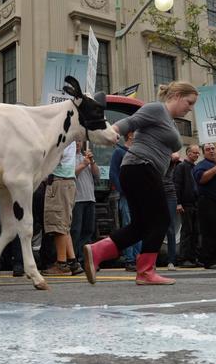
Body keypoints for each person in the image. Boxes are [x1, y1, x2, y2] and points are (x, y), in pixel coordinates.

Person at [83, 81, 198, 285]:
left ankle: (97, 251)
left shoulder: (169, 121)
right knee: (161, 220)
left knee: (142, 225)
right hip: (141, 167)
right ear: (177, 96)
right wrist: (111, 131)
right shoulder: (157, 109)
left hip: (141, 170)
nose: (190, 108)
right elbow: (130, 122)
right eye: (189, 102)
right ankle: (145, 272)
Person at [43, 140, 81, 276]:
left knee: (58, 224)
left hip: (60, 181)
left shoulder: (63, 136)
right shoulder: (70, 137)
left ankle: (61, 264)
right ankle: (72, 262)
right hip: (66, 182)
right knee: (64, 225)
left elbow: (56, 156)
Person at [109, 132, 139, 271]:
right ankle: (130, 259)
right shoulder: (119, 152)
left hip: (139, 196)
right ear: (130, 135)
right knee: (129, 225)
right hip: (127, 196)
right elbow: (113, 173)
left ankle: (139, 258)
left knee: (140, 226)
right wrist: (123, 190)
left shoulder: (139, 152)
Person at [70, 142, 99, 270]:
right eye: (75, 141)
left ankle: (85, 259)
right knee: (76, 231)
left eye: (79, 141)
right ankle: (74, 259)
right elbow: (70, 174)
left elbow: (97, 175)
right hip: (76, 199)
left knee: (88, 231)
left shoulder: (85, 157)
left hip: (90, 198)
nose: (78, 143)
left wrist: (92, 162)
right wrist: (83, 165)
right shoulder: (68, 158)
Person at [173, 144, 200, 266]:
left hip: (195, 204)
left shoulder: (195, 168)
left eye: (198, 153)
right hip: (186, 204)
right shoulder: (181, 167)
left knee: (195, 232)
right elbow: (177, 185)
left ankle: (193, 258)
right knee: (187, 231)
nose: (197, 155)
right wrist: (178, 203)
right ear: (188, 153)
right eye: (195, 152)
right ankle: (184, 258)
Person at [162, 152, 180, 271]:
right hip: (154, 192)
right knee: (155, 227)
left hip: (169, 194)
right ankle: (151, 260)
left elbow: (176, 155)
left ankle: (171, 261)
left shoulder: (167, 154)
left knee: (170, 227)